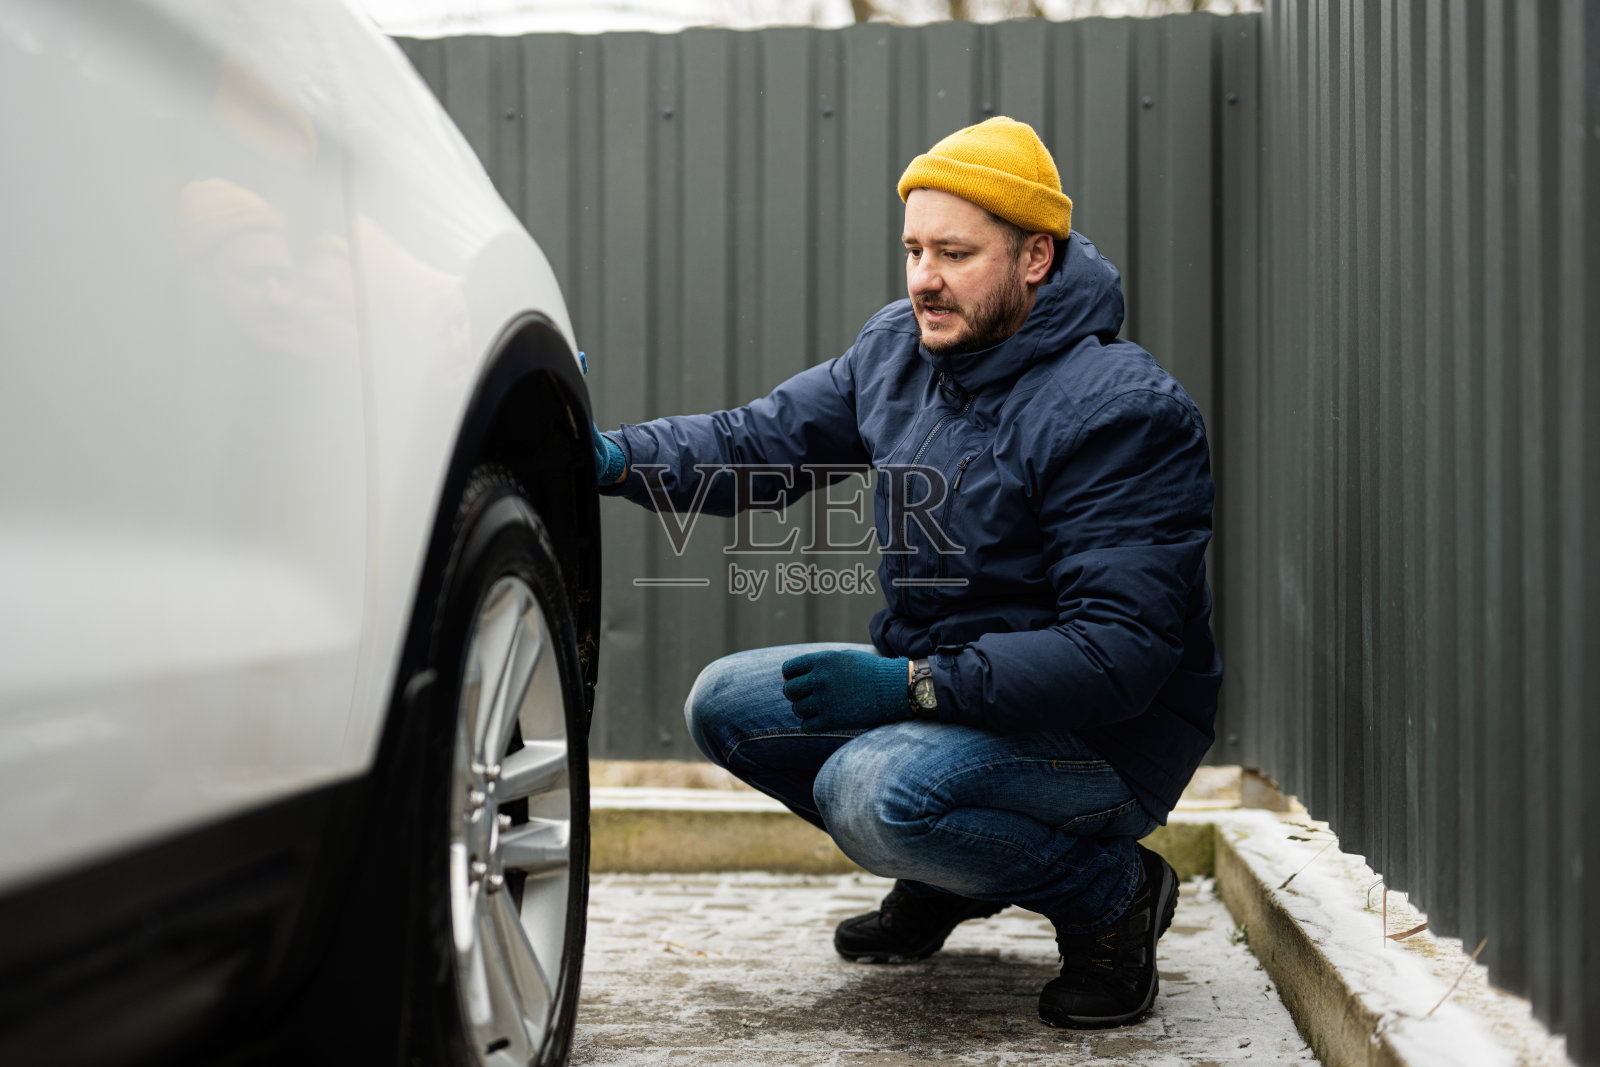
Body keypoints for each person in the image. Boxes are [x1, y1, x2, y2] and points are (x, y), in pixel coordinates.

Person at [590, 116, 1222, 1030]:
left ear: (1034, 257)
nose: (925, 277)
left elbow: (1117, 655)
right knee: (724, 702)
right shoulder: (899, 353)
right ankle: (950, 873)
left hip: (1105, 741)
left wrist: (911, 684)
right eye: (915, 250)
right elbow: (753, 443)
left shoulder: (1121, 411)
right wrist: (610, 457)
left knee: (874, 791)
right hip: (956, 691)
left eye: (956, 253)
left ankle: (1109, 892)